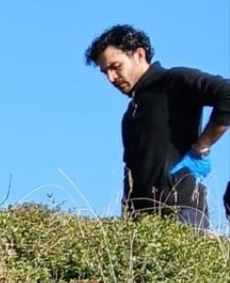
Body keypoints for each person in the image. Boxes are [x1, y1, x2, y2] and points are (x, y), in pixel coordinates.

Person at [84, 25, 230, 230]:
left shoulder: (173, 81)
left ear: (139, 54)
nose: (111, 78)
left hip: (181, 212)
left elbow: (227, 93)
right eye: (105, 72)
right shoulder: (131, 113)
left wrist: (201, 147)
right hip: (139, 226)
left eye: (115, 66)